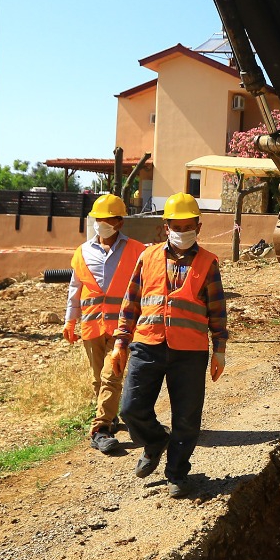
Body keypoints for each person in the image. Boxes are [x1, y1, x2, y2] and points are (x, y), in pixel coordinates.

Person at [110, 192, 227, 498]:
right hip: (147, 345)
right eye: (177, 225)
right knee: (131, 408)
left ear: (198, 228)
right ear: (165, 227)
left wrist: (220, 350)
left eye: (189, 226)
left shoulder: (207, 263)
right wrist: (120, 342)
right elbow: (131, 302)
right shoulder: (146, 258)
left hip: (189, 352)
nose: (182, 231)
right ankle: (154, 441)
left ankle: (177, 472)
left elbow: (217, 309)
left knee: (187, 418)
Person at [63, 194, 146, 455]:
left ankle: (100, 429)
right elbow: (75, 289)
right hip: (91, 326)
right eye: (99, 220)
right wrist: (69, 320)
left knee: (112, 375)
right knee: (97, 379)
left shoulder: (137, 250)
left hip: (123, 327)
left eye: (108, 220)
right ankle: (109, 415)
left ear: (120, 222)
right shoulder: (82, 251)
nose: (102, 224)